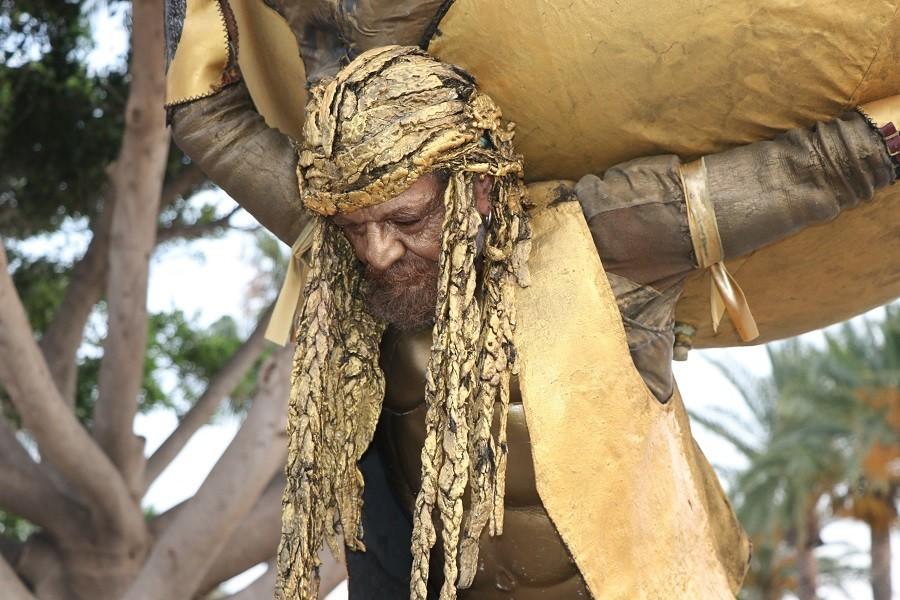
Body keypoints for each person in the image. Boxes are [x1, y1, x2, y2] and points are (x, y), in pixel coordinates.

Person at [166, 10, 900, 600]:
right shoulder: (345, 254)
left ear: (478, 189)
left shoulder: (605, 235)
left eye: (409, 221)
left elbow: (814, 172)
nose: (379, 251)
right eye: (359, 229)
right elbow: (206, 119)